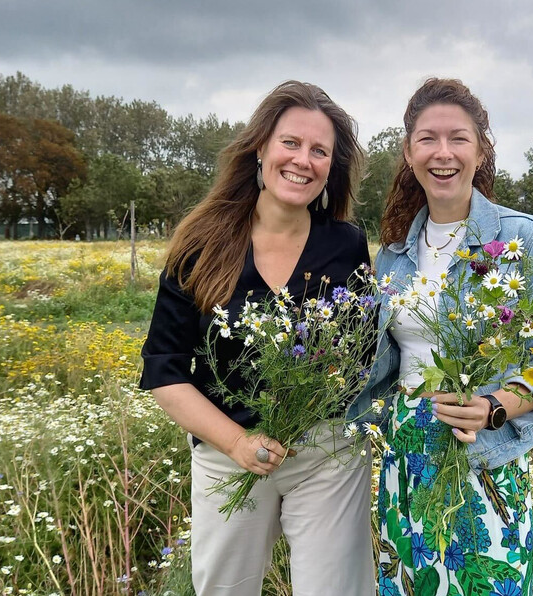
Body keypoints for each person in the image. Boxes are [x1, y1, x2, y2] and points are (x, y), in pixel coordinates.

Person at [139, 81, 373, 596]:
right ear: (261, 147)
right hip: (228, 452)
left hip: (326, 455)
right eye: (290, 142)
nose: (303, 160)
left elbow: (360, 357)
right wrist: (238, 442)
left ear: (331, 169)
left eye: (320, 151)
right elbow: (163, 369)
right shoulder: (201, 243)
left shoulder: (347, 244)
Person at [359, 78, 533, 595]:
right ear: (409, 152)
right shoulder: (392, 254)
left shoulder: (525, 239)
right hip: (405, 454)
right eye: (427, 139)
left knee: (487, 583)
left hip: (481, 450)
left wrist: (493, 406)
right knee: (409, 584)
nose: (443, 153)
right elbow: (382, 361)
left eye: (458, 138)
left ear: (481, 151)